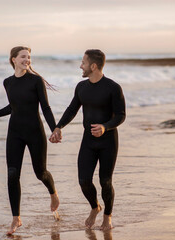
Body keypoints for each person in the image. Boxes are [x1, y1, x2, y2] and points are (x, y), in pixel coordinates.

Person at [0, 46, 59, 235]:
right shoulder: (7, 82)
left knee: (41, 173)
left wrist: (54, 128)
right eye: (23, 56)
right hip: (15, 132)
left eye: (29, 57)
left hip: (35, 132)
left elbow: (45, 107)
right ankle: (16, 218)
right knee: (12, 174)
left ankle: (53, 194)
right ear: (13, 59)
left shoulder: (36, 81)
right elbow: (13, 107)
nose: (27, 60)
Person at [49, 49, 126, 230]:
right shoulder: (81, 87)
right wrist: (58, 127)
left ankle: (107, 215)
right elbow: (72, 109)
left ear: (93, 66)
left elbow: (121, 115)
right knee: (84, 181)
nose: (80, 66)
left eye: (83, 62)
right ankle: (95, 207)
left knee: (105, 181)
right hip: (88, 141)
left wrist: (105, 127)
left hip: (108, 142)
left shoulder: (113, 87)